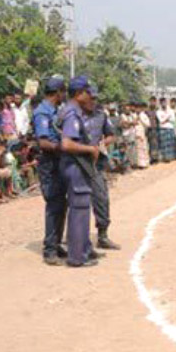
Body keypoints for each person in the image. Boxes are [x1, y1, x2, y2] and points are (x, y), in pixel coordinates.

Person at [59, 76, 101, 267]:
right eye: (86, 92)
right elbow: (67, 144)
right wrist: (90, 150)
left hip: (74, 166)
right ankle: (77, 257)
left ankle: (82, 250)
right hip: (75, 166)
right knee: (80, 211)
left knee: (81, 210)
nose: (89, 96)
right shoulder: (72, 114)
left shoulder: (69, 111)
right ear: (78, 94)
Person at [33, 76, 68, 266]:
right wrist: (64, 147)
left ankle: (56, 243)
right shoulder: (42, 113)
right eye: (63, 92)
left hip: (58, 162)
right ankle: (49, 250)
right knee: (54, 205)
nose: (64, 96)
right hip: (49, 163)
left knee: (62, 204)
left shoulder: (55, 111)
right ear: (57, 93)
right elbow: (44, 142)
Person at [84, 90, 121, 250]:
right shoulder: (74, 115)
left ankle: (102, 235)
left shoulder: (101, 115)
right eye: (90, 98)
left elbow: (112, 135)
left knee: (101, 198)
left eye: (95, 99)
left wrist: (103, 143)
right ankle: (75, 238)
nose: (93, 101)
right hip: (77, 162)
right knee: (76, 202)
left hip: (95, 164)